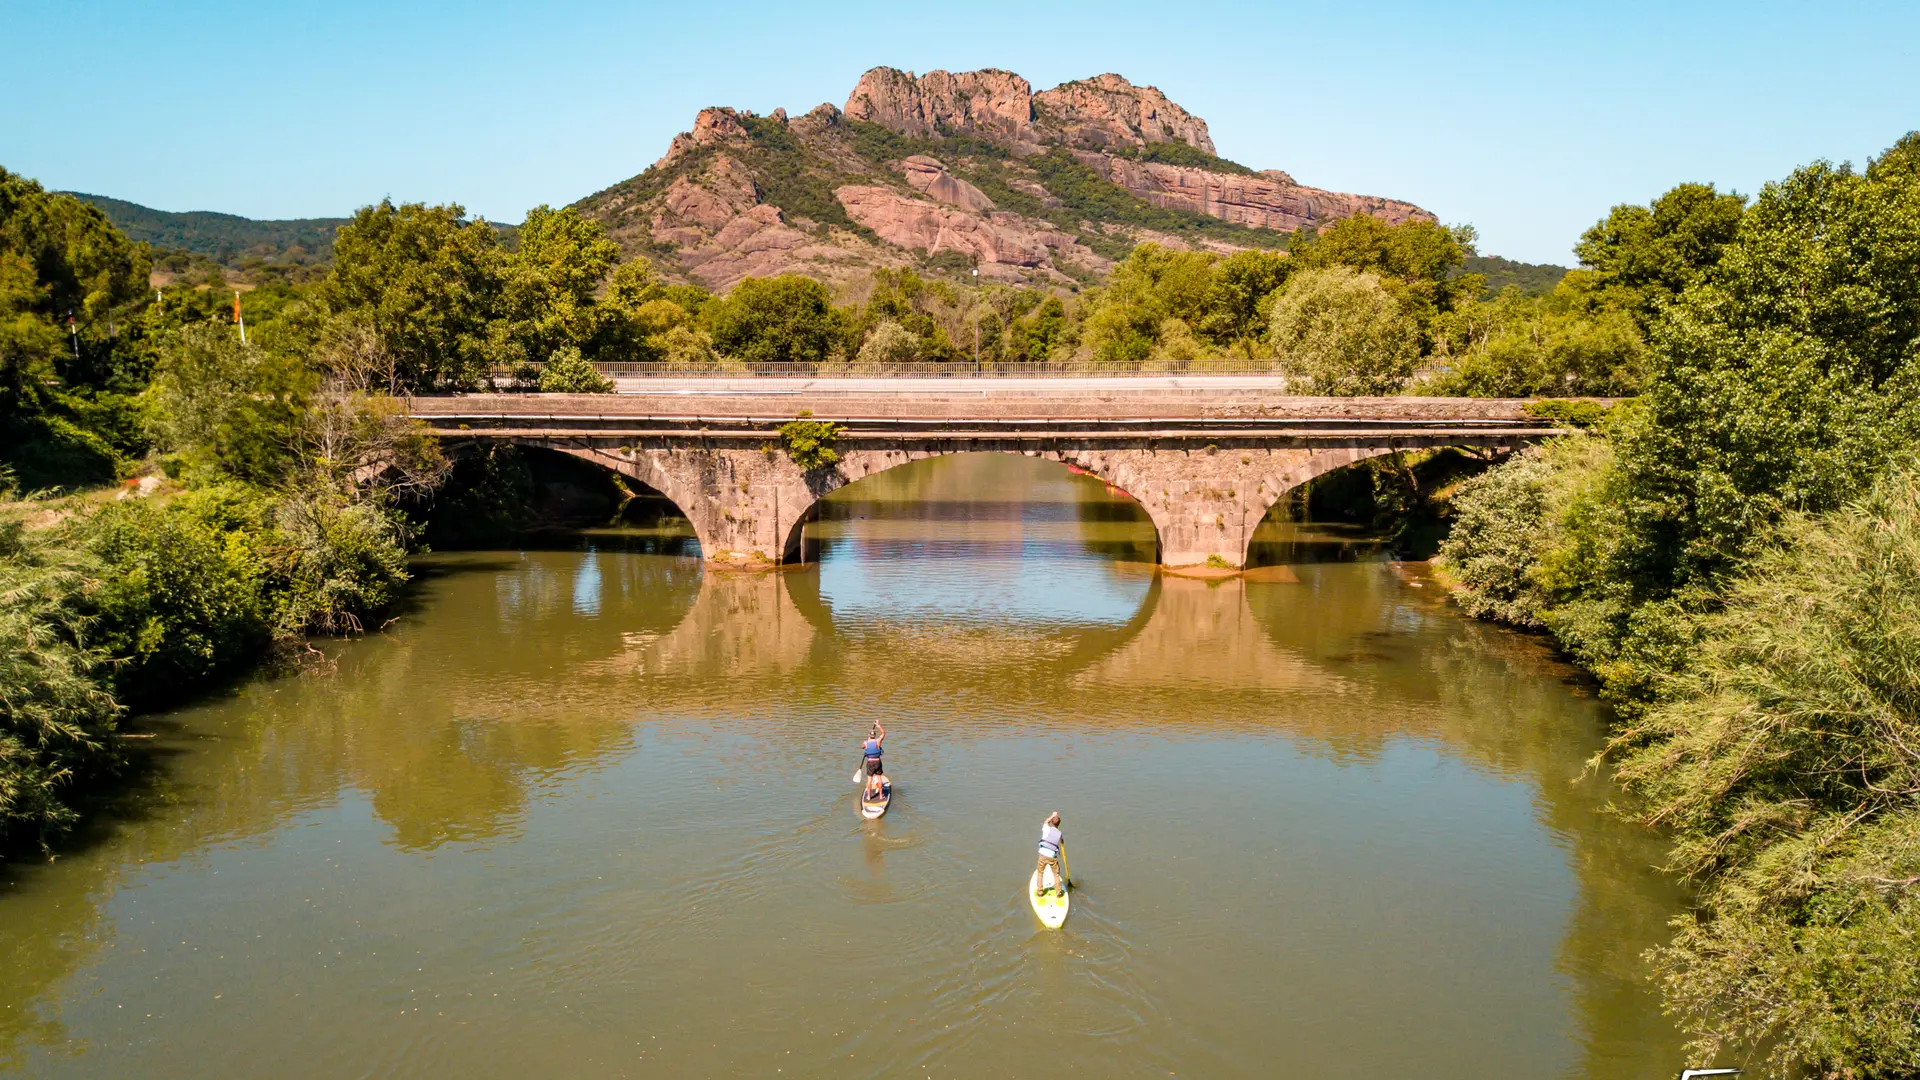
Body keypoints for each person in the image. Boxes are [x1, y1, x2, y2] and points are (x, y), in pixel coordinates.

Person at [1034, 812, 1065, 896]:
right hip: (1052, 857)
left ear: (1051, 822)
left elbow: (1045, 822)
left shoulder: (1046, 828)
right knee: (1056, 874)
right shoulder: (1060, 833)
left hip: (1043, 855)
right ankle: (1058, 892)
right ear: (1059, 824)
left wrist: (1053, 815)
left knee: (1040, 872)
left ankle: (1040, 892)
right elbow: (1062, 842)